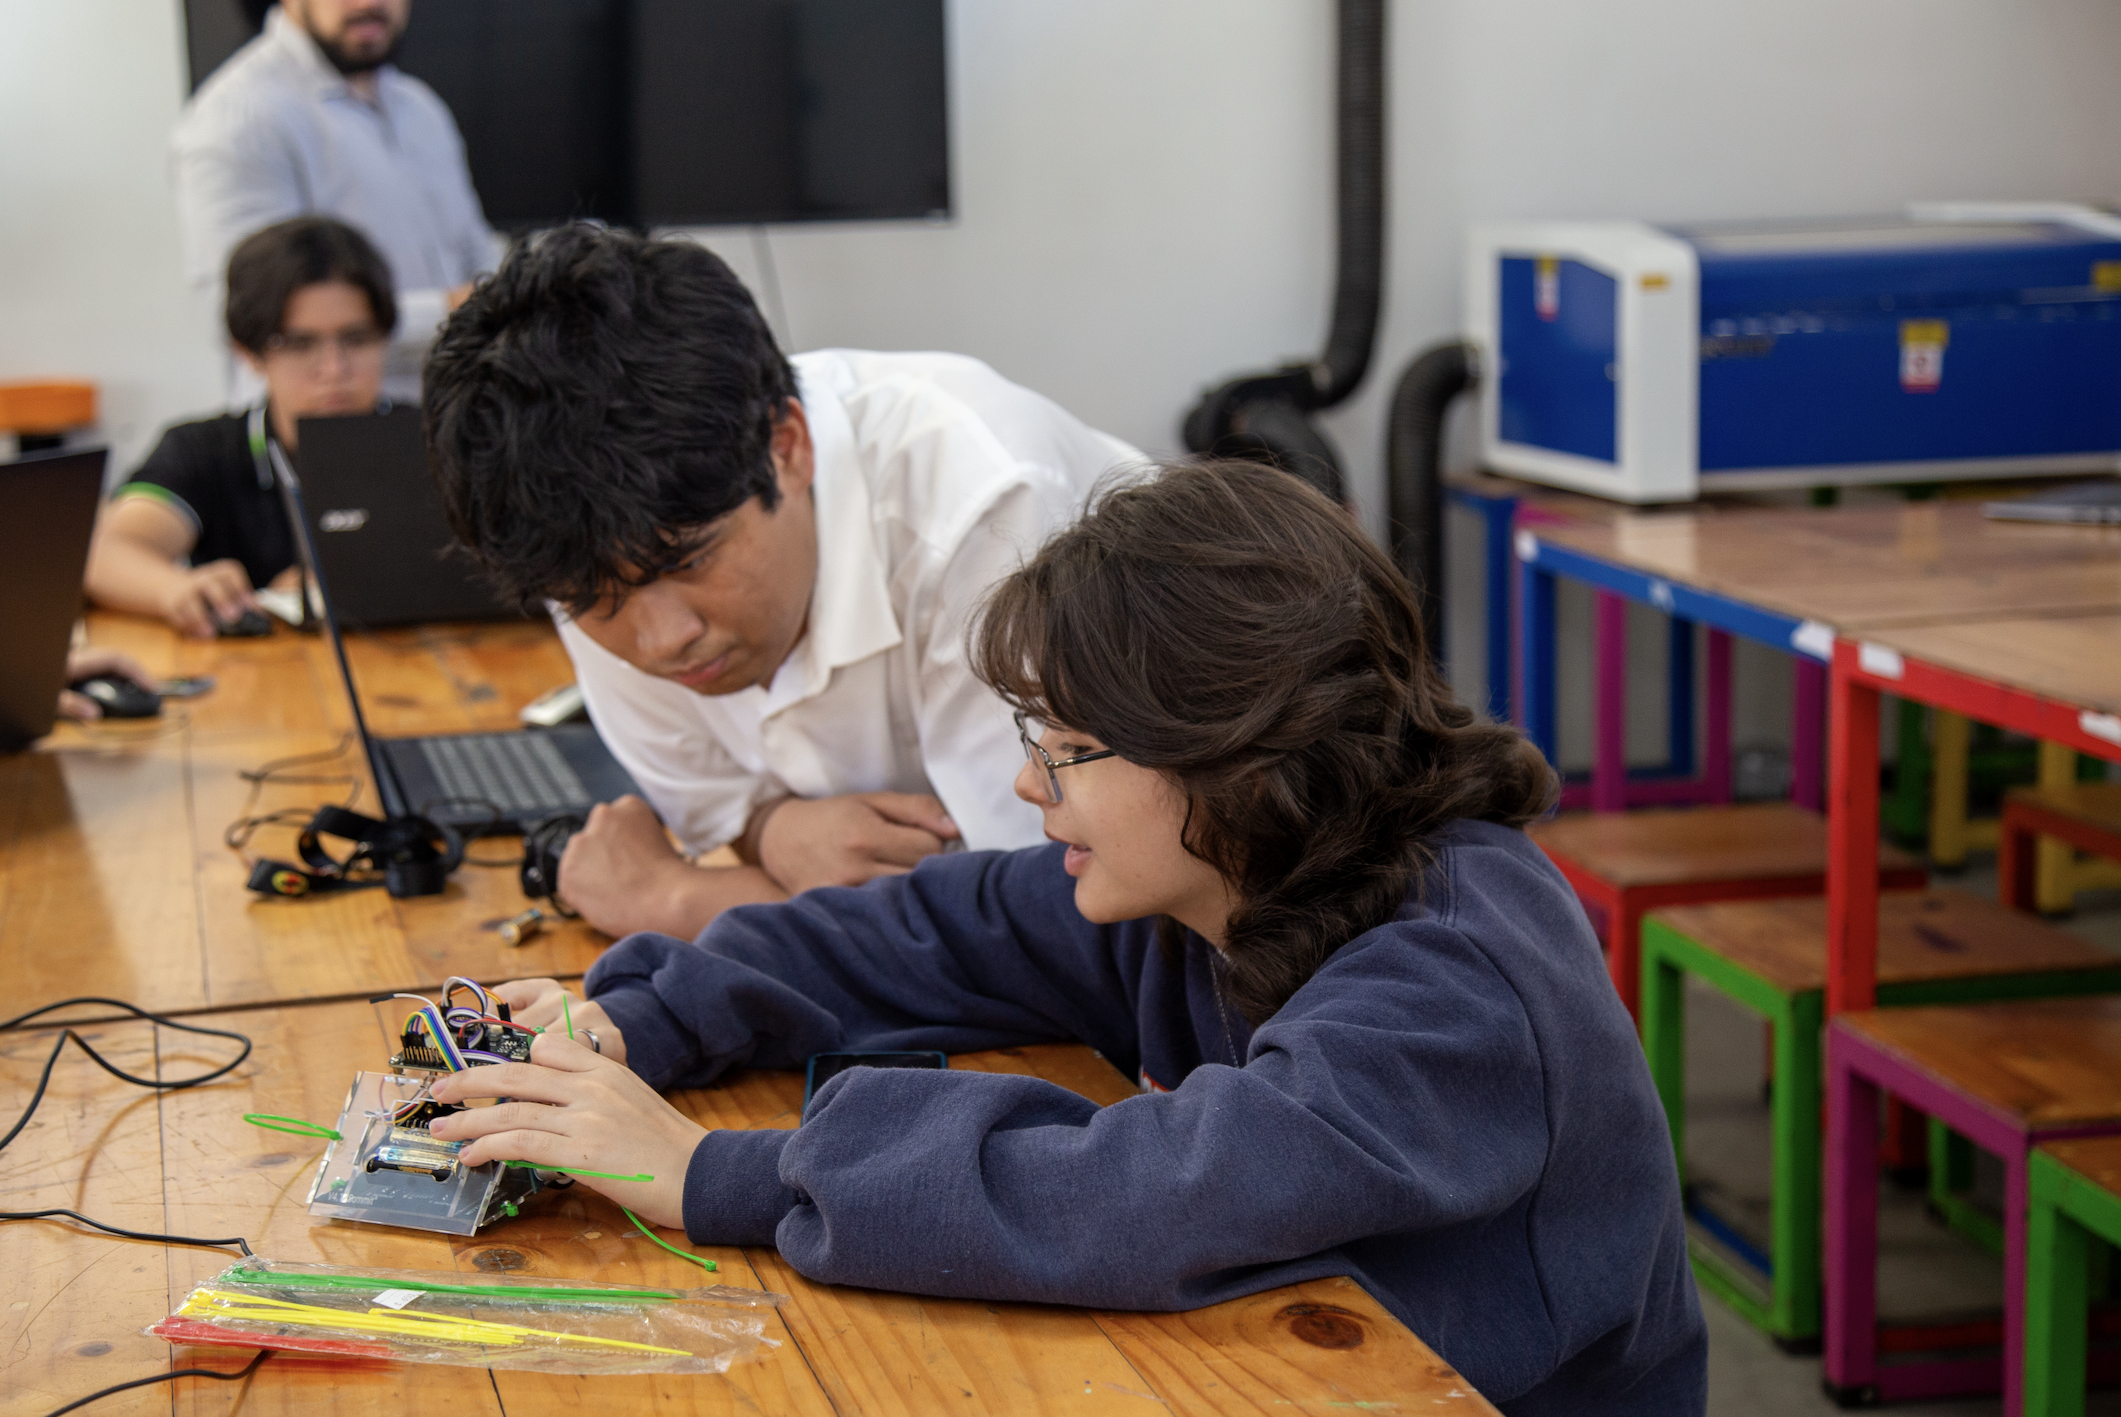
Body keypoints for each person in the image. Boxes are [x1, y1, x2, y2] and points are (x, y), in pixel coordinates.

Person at [417, 462, 1708, 1414]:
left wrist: (708, 1170)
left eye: (1071, 748)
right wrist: (638, 1017)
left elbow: (1156, 1186)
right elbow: (930, 928)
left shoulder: (1459, 979)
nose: (1029, 783)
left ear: (1237, 751)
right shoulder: (1214, 878)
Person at [423, 223, 1143, 939]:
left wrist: (677, 899)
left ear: (789, 447)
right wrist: (770, 828)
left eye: (687, 562)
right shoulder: (579, 541)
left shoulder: (989, 511)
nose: (664, 640)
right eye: (589, 600)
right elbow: (721, 807)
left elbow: (1045, 925)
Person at [170, 0, 499, 400]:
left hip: (447, 420)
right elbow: (250, 317)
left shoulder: (422, 110)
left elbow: (476, 258)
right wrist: (457, 312)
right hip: (324, 435)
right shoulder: (237, 119)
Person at [86, 216, 392, 637]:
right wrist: (177, 588)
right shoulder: (203, 450)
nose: (334, 369)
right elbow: (102, 553)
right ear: (248, 352)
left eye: (356, 338)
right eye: (300, 344)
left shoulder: (439, 439)